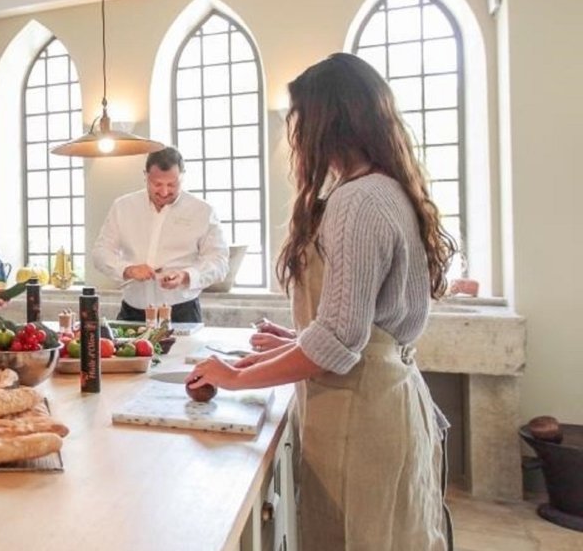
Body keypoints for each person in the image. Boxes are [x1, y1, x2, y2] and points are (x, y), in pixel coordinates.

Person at [187, 52, 456, 550]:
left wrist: (235, 377)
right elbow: (361, 328)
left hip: (362, 414)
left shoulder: (358, 200)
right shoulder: (384, 189)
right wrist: (292, 342)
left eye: (299, 119)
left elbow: (339, 341)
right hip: (377, 397)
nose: (296, 134)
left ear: (326, 120)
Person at [90, 147, 229, 323]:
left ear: (183, 176)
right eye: (157, 184)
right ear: (145, 176)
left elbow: (219, 262)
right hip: (132, 311)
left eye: (172, 185)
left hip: (182, 311)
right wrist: (128, 270)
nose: (164, 192)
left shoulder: (203, 211)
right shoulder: (122, 207)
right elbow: (100, 253)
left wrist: (186, 276)